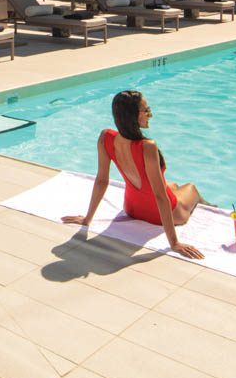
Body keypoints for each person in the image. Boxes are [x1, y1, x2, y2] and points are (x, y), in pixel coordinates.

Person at [62, 89, 205, 259]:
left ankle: (190, 198)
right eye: (146, 110)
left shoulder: (105, 137)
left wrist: (87, 219)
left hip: (131, 208)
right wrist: (174, 243)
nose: (150, 114)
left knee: (172, 185)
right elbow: (160, 196)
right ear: (133, 115)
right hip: (164, 215)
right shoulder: (147, 146)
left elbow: (101, 180)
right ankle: (207, 204)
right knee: (191, 188)